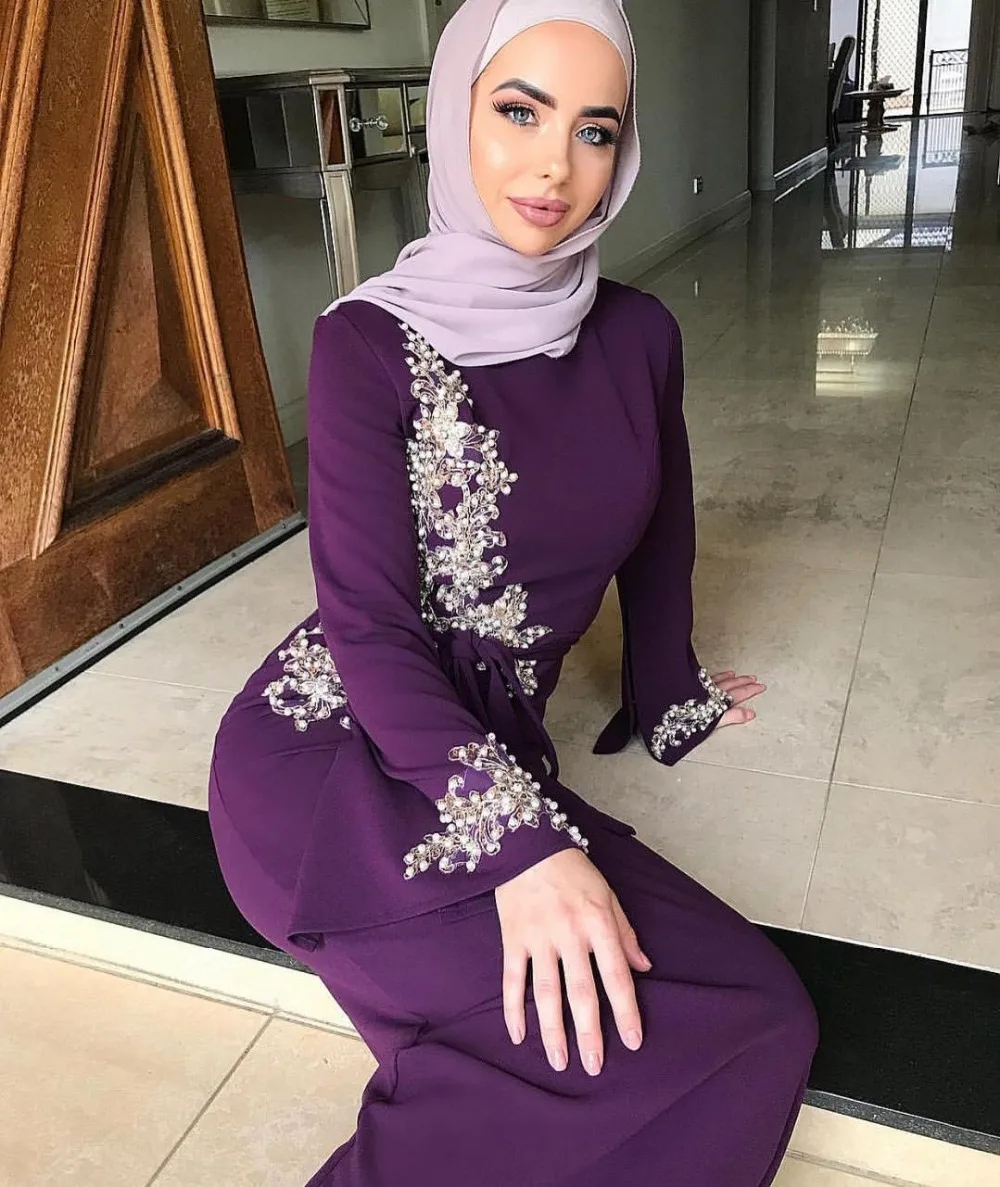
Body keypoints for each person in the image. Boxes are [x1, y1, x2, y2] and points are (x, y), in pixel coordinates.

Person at [208, 1, 819, 1183]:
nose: (555, 166)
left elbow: (660, 536)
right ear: (454, 114)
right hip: (330, 758)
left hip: (487, 754)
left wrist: (669, 693)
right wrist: (528, 850)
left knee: (756, 1015)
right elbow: (370, 630)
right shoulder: (365, 342)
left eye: (595, 130)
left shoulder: (638, 334)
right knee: (579, 1044)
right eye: (518, 112)